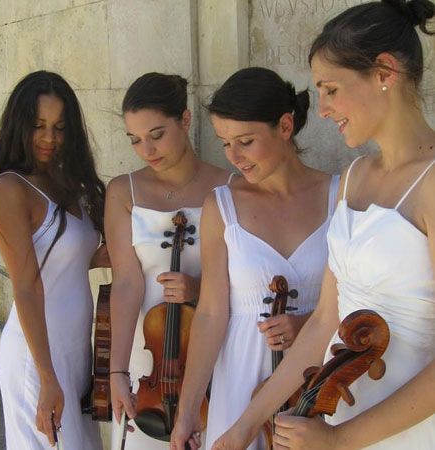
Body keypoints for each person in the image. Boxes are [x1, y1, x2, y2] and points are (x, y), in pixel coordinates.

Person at [208, 1, 435, 449]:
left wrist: (341, 440)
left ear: (384, 72)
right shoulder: (354, 177)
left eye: (331, 89)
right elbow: (324, 322)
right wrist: (243, 427)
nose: (324, 108)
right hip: (339, 415)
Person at [170, 67, 340, 450]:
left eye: (245, 141)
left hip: (320, 375)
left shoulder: (340, 194)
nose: (234, 157)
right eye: (225, 143)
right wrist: (188, 409)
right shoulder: (222, 204)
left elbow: (358, 298)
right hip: (241, 374)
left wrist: (310, 323)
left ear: (284, 126)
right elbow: (212, 313)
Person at [105, 72, 231, 450]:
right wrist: (116, 370)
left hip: (211, 350)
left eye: (157, 135)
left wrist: (199, 289)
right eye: (135, 140)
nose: (146, 150)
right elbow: (127, 284)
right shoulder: (122, 190)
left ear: (186, 120)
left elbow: (244, 276)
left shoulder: (230, 185)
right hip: (150, 355)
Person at [0, 71, 107, 449]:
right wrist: (47, 376)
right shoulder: (10, 187)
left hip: (74, 355)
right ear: (21, 126)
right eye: (39, 126)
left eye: (59, 127)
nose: (50, 138)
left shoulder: (70, 182)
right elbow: (26, 283)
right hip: (37, 360)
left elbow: (76, 262)